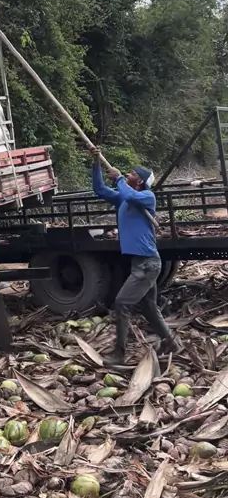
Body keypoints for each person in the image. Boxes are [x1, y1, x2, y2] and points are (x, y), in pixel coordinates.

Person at [90, 148, 181, 365]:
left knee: (122, 303)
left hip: (148, 263)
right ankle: (171, 344)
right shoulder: (124, 200)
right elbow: (99, 189)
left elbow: (130, 194)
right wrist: (96, 163)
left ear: (139, 181)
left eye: (132, 174)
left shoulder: (147, 197)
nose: (128, 175)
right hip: (140, 263)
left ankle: (119, 354)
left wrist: (119, 179)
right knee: (149, 306)